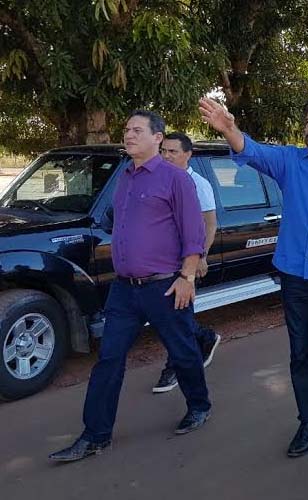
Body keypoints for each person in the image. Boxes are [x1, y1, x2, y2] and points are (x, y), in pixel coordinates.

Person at [198, 97, 308, 458]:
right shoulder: (290, 161)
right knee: (299, 353)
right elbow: (254, 151)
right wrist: (229, 127)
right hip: (295, 273)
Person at [50, 110, 211, 462]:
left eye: (137, 130)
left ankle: (199, 404)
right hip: (125, 289)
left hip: (165, 287)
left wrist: (186, 278)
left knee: (183, 352)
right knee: (108, 359)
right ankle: (96, 435)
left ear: (158, 138)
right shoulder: (125, 178)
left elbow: (194, 235)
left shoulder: (176, 179)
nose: (129, 135)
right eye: (126, 130)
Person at [152, 132, 222, 393]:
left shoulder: (198, 184)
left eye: (173, 151)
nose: (167, 156)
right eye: (164, 151)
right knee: (170, 315)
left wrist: (201, 257)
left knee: (177, 316)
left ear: (188, 154)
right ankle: (204, 337)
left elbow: (210, 224)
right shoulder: (157, 180)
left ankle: (175, 368)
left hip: (185, 262)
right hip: (160, 260)